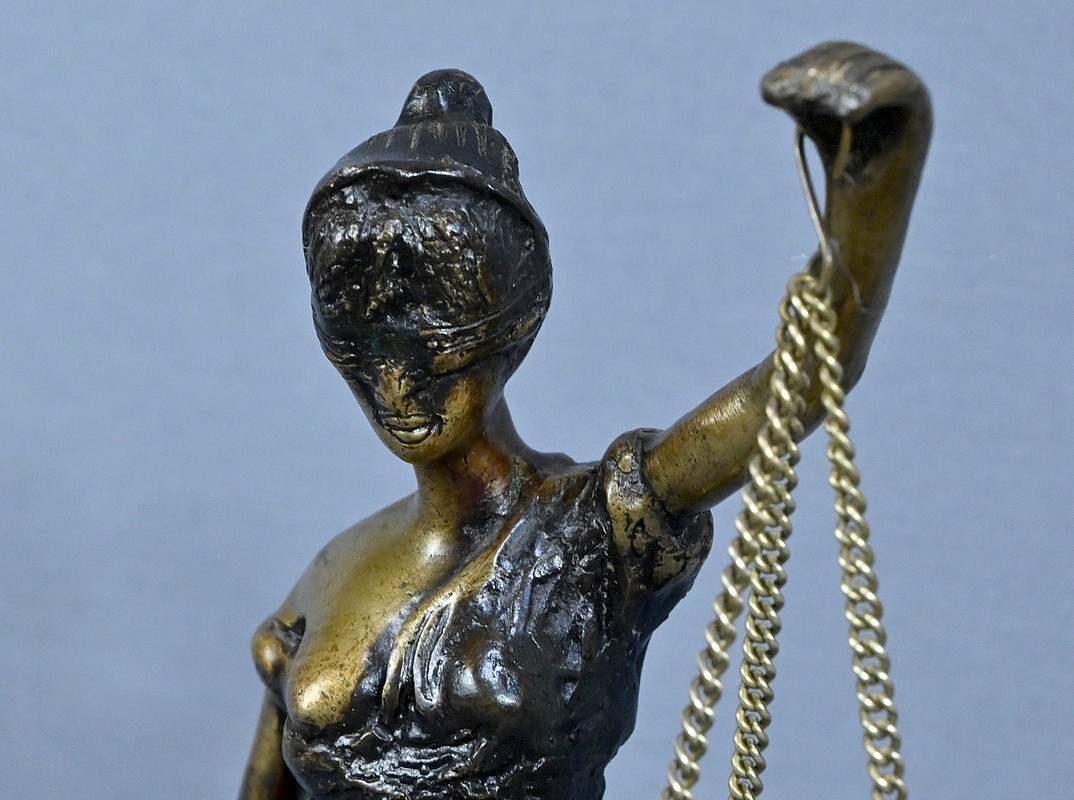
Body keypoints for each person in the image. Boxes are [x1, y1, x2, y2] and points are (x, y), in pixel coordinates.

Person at [238, 41, 932, 800]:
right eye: (364, 358)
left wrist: (876, 181)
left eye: (435, 355)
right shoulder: (332, 572)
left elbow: (805, 375)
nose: (396, 391)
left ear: (512, 332)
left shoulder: (595, 531)